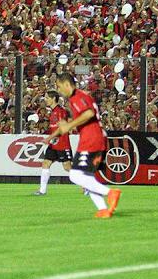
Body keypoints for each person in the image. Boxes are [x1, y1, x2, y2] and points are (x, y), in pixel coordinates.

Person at [45, 73, 121, 218]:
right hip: (92, 138)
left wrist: (69, 125)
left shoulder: (76, 97)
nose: (59, 91)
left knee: (75, 175)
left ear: (67, 84)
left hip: (91, 139)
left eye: (60, 87)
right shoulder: (80, 96)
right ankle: (103, 209)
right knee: (88, 177)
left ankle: (110, 193)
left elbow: (88, 114)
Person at [34, 91, 72, 196]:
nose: (45, 100)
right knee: (45, 163)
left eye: (47, 98)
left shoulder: (60, 111)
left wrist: (48, 138)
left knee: (67, 167)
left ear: (53, 98)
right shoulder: (53, 111)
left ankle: (87, 184)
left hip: (63, 144)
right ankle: (42, 190)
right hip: (54, 144)